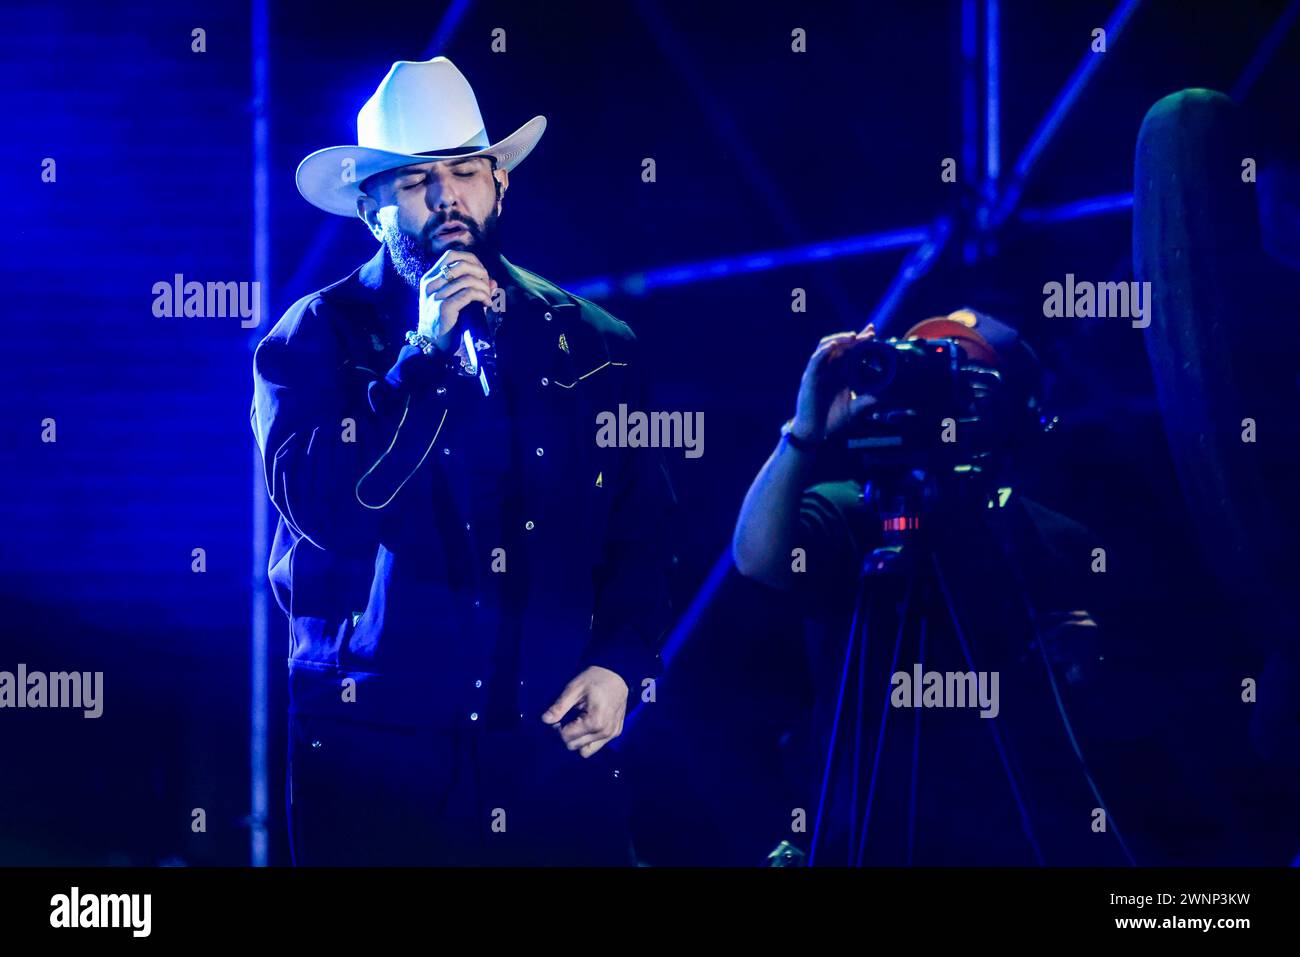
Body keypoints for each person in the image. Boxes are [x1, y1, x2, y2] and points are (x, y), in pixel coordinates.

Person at [250, 57, 675, 865]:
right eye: (415, 182)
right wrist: (422, 358)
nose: (447, 198)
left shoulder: (593, 344)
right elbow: (331, 514)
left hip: (550, 748)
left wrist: (622, 662)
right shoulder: (313, 339)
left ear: (499, 186)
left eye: (465, 173)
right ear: (372, 209)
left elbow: (644, 531)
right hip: (376, 754)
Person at [732, 311, 1131, 865]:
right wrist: (806, 432)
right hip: (862, 837)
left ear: (1016, 407)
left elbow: (1118, 738)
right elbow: (757, 559)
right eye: (919, 363)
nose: (934, 388)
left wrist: (1090, 668)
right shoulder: (858, 511)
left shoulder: (1057, 542)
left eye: (962, 375)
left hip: (1006, 837)